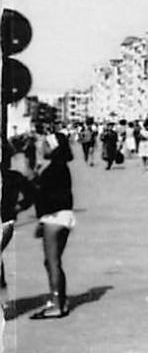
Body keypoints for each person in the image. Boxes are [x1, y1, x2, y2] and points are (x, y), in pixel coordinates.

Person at [29, 124, 75, 318]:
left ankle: (56, 304)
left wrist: (33, 178)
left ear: (53, 148)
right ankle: (60, 301)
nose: (42, 148)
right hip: (62, 217)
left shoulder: (54, 169)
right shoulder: (61, 167)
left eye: (46, 145)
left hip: (54, 218)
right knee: (53, 262)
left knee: (52, 262)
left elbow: (43, 195)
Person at [1, 137, 35, 294]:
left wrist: (17, 207)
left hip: (4, 223)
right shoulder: (14, 176)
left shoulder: (13, 177)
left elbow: (31, 194)